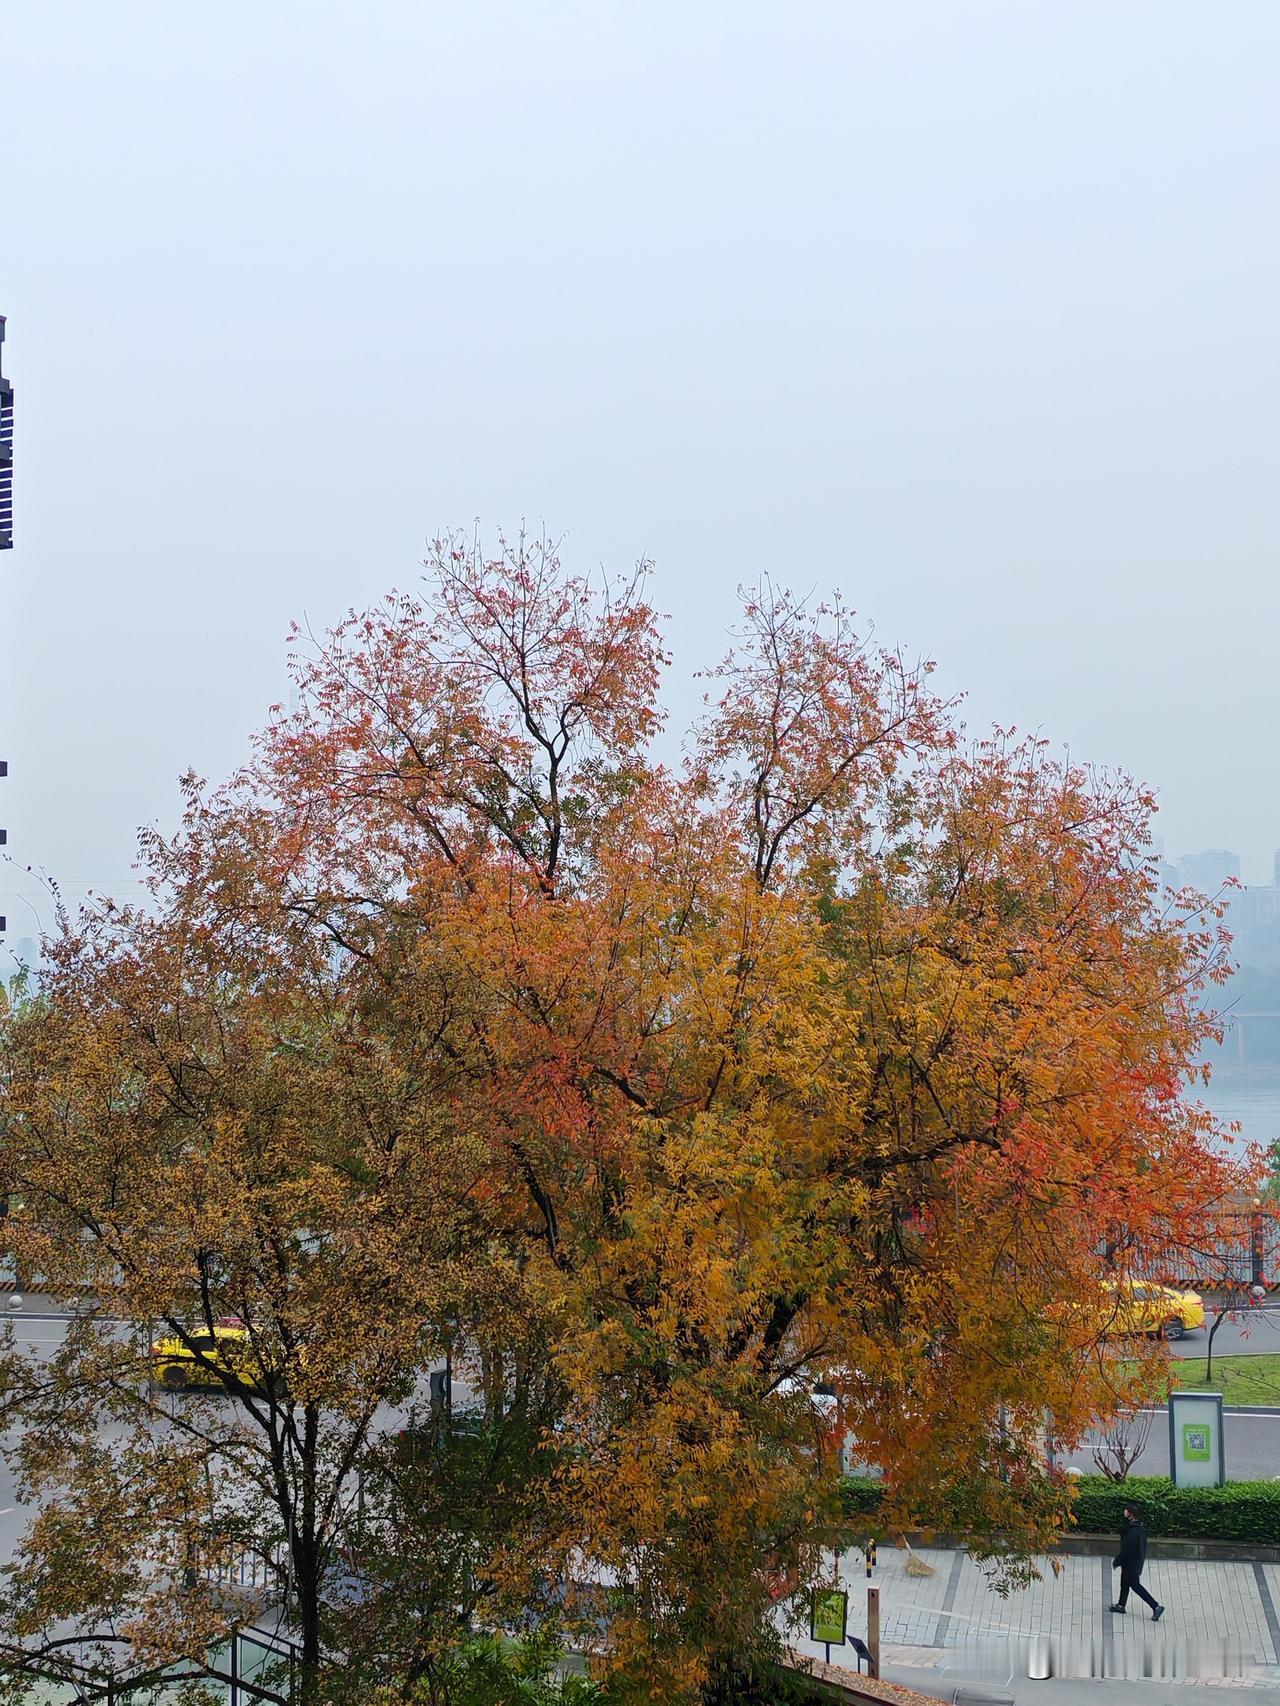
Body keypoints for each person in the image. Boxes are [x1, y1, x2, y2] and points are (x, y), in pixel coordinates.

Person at [1111, 1504, 1165, 1620]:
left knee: (1135, 1586)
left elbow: (1127, 1550)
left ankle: (1156, 1606)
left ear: (1131, 1513)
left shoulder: (1133, 1532)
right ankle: (1121, 1605)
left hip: (1131, 1564)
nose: (1124, 1512)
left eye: (1126, 1510)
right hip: (1134, 1563)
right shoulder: (1138, 1528)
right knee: (1124, 1583)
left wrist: (1117, 1561)